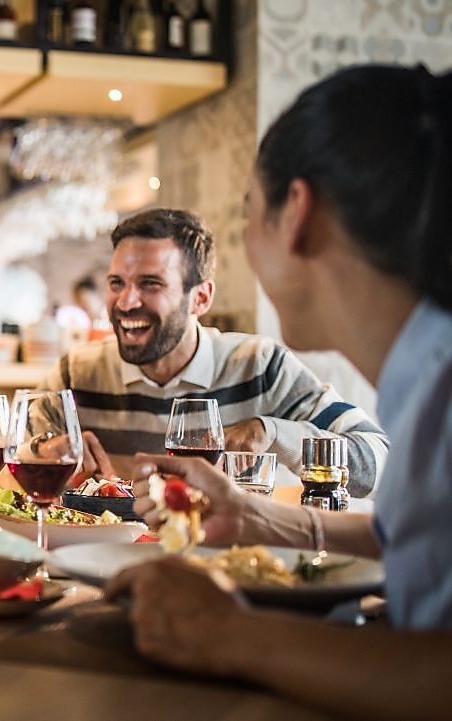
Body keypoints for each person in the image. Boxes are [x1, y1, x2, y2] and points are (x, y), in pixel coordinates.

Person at [108, 64, 452, 720]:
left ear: (297, 213)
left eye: (248, 217)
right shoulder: (424, 375)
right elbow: (419, 544)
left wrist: (230, 634)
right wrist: (258, 518)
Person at [39, 207, 389, 495]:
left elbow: (380, 461)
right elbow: (20, 449)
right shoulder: (77, 372)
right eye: (117, 283)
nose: (126, 302)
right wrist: (46, 451)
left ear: (201, 298)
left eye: (151, 284)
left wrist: (272, 433)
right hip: (107, 556)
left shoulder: (261, 368)